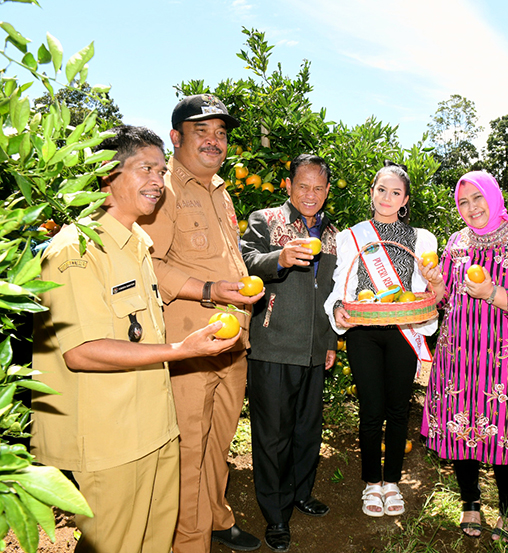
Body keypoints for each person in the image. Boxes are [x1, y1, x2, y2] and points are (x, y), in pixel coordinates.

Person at [31, 126, 242, 553]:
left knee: (153, 541)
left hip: (154, 430)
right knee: (113, 543)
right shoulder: (75, 251)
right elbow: (81, 352)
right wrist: (181, 351)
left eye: (160, 170)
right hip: (111, 439)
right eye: (145, 168)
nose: (157, 181)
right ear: (107, 174)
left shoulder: (137, 245)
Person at [138, 95, 263, 553]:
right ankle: (189, 542)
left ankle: (215, 517)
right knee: (189, 449)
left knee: (218, 441)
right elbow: (149, 264)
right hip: (190, 344)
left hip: (230, 344)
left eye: (221, 133)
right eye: (201, 132)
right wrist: (210, 290)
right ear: (176, 137)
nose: (214, 142)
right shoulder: (163, 189)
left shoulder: (220, 190)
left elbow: (227, 257)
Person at [420, 171, 508, 542]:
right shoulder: (456, 242)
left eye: (478, 198)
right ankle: (470, 502)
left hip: (504, 354)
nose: (471, 207)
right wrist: (434, 283)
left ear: (494, 196)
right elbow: (444, 301)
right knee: (462, 428)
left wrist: (493, 292)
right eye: (463, 202)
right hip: (458, 352)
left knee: (504, 428)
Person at [324, 162, 438, 518]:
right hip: (364, 334)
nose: (387, 198)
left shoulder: (423, 239)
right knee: (371, 410)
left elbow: (429, 291)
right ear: (371, 192)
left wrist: (433, 283)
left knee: (398, 409)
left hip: (404, 332)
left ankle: (392, 483)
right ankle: (372, 482)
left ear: (405, 200)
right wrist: (338, 307)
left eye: (396, 192)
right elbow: (340, 286)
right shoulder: (350, 236)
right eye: (381, 190)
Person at [240, 154, 338, 552]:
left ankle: (300, 493)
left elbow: (332, 293)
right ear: (288, 186)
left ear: (327, 191)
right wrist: (277, 259)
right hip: (273, 345)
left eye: (318, 187)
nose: (310, 194)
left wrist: (330, 340)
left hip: (315, 350)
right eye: (303, 186)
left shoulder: (333, 234)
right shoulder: (266, 220)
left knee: (306, 430)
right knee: (272, 435)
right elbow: (244, 261)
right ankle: (276, 513)